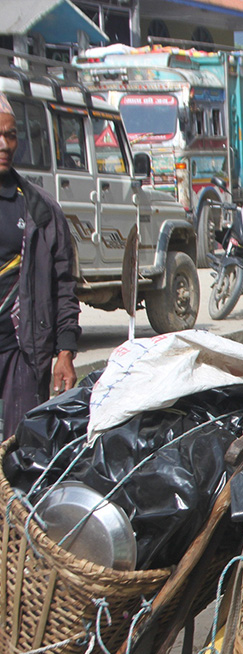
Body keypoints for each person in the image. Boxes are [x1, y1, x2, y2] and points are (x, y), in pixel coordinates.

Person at [0, 95, 79, 438]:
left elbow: (64, 285)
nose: (4, 144)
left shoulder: (39, 209)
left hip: (22, 355)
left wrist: (65, 352)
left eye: (11, 135)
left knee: (20, 452)